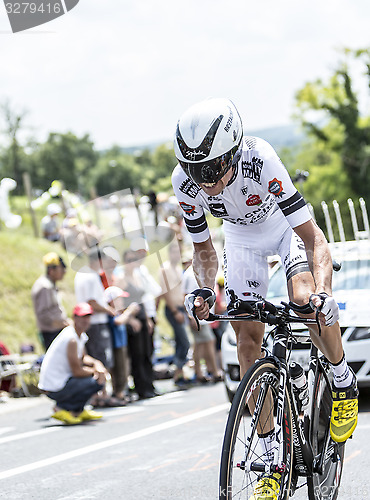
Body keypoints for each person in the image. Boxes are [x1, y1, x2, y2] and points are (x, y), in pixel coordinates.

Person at [172, 97, 358, 498]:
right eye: (194, 170)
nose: (204, 181)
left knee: (305, 299)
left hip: (283, 227)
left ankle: (343, 381)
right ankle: (272, 451)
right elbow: (203, 251)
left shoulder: (262, 160)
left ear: (234, 149)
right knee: (246, 337)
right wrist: (204, 289)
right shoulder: (184, 182)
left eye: (212, 168)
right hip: (239, 238)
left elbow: (313, 237)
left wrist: (324, 292)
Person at [38, 303, 107, 424]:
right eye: (82, 316)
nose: (85, 320)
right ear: (75, 317)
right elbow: (77, 371)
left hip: (60, 382)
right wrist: (97, 372)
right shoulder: (71, 339)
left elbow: (84, 357)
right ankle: (62, 407)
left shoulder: (79, 335)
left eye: (88, 316)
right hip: (54, 386)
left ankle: (78, 409)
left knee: (98, 377)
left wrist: (97, 364)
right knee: (97, 381)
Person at [74, 246, 121, 407]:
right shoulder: (89, 276)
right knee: (101, 358)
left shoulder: (83, 274)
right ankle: (101, 394)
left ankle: (99, 394)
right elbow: (91, 301)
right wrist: (109, 310)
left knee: (97, 357)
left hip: (90, 322)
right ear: (99, 260)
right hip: (96, 322)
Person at [114, 249, 157, 399]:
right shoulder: (121, 279)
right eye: (129, 260)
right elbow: (118, 304)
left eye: (134, 259)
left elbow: (142, 300)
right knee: (137, 354)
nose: (132, 263)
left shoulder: (138, 277)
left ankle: (149, 384)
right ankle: (141, 387)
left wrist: (148, 319)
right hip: (132, 320)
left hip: (142, 317)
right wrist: (131, 319)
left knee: (147, 352)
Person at [182, 261, 223, 384]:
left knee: (200, 344)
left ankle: (201, 371)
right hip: (196, 316)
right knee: (209, 341)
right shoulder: (190, 274)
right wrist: (191, 316)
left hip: (204, 316)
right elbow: (186, 296)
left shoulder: (202, 272)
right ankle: (212, 371)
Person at [158, 242, 191, 387]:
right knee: (184, 341)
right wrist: (174, 311)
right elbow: (165, 292)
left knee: (181, 341)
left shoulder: (178, 269)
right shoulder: (164, 269)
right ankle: (178, 371)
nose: (176, 255)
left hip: (181, 307)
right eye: (174, 252)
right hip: (173, 309)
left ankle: (180, 372)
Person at [104, 286, 140, 403]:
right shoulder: (110, 312)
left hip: (122, 343)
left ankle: (122, 391)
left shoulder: (119, 312)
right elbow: (118, 321)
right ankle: (118, 392)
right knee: (119, 370)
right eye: (118, 299)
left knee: (125, 368)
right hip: (116, 344)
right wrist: (129, 311)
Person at [31, 252, 69, 351]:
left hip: (56, 331)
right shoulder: (45, 287)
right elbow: (44, 315)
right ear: (52, 270)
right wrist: (63, 323)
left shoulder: (50, 284)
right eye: (61, 269)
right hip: (51, 333)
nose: (64, 272)